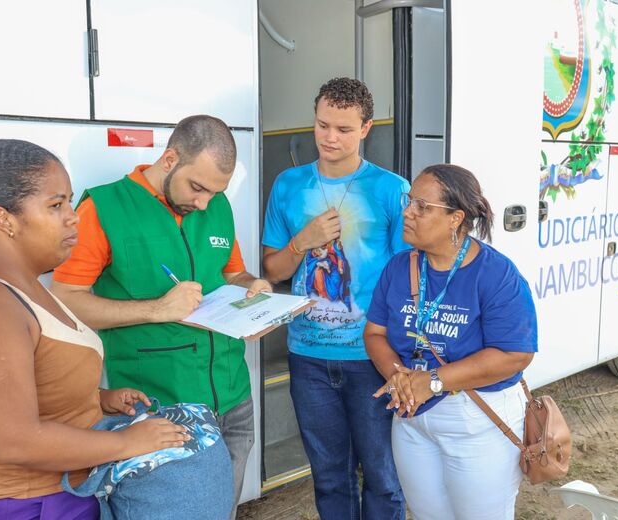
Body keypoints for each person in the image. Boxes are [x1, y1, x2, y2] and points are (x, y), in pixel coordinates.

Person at [0, 134, 191, 519]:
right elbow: (15, 440)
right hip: (17, 508)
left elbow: (28, 386)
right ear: (3, 219)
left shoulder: (27, 282)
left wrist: (98, 400)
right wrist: (129, 443)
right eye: (56, 204)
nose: (73, 215)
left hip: (63, 496)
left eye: (69, 200)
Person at [51, 114, 271, 515]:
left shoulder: (215, 204)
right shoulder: (103, 206)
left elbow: (232, 273)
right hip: (163, 407)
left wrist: (255, 290)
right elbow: (65, 300)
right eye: (198, 187)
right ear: (170, 159)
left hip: (234, 395)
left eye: (214, 193)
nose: (204, 203)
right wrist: (157, 309)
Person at [262, 77, 408, 519]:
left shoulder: (391, 190)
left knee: (383, 477)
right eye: (323, 125)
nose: (330, 138)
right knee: (328, 476)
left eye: (344, 130)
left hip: (371, 357)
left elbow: (406, 280)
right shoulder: (288, 185)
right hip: (307, 356)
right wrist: (301, 242)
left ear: (366, 129)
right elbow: (273, 271)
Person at [364, 163, 538, 520]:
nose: (407, 212)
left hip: (476, 419)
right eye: (408, 200)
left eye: (422, 207)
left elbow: (515, 354)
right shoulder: (399, 267)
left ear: (455, 218)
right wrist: (398, 375)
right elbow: (375, 333)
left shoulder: (496, 274)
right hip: (411, 415)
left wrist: (434, 381)